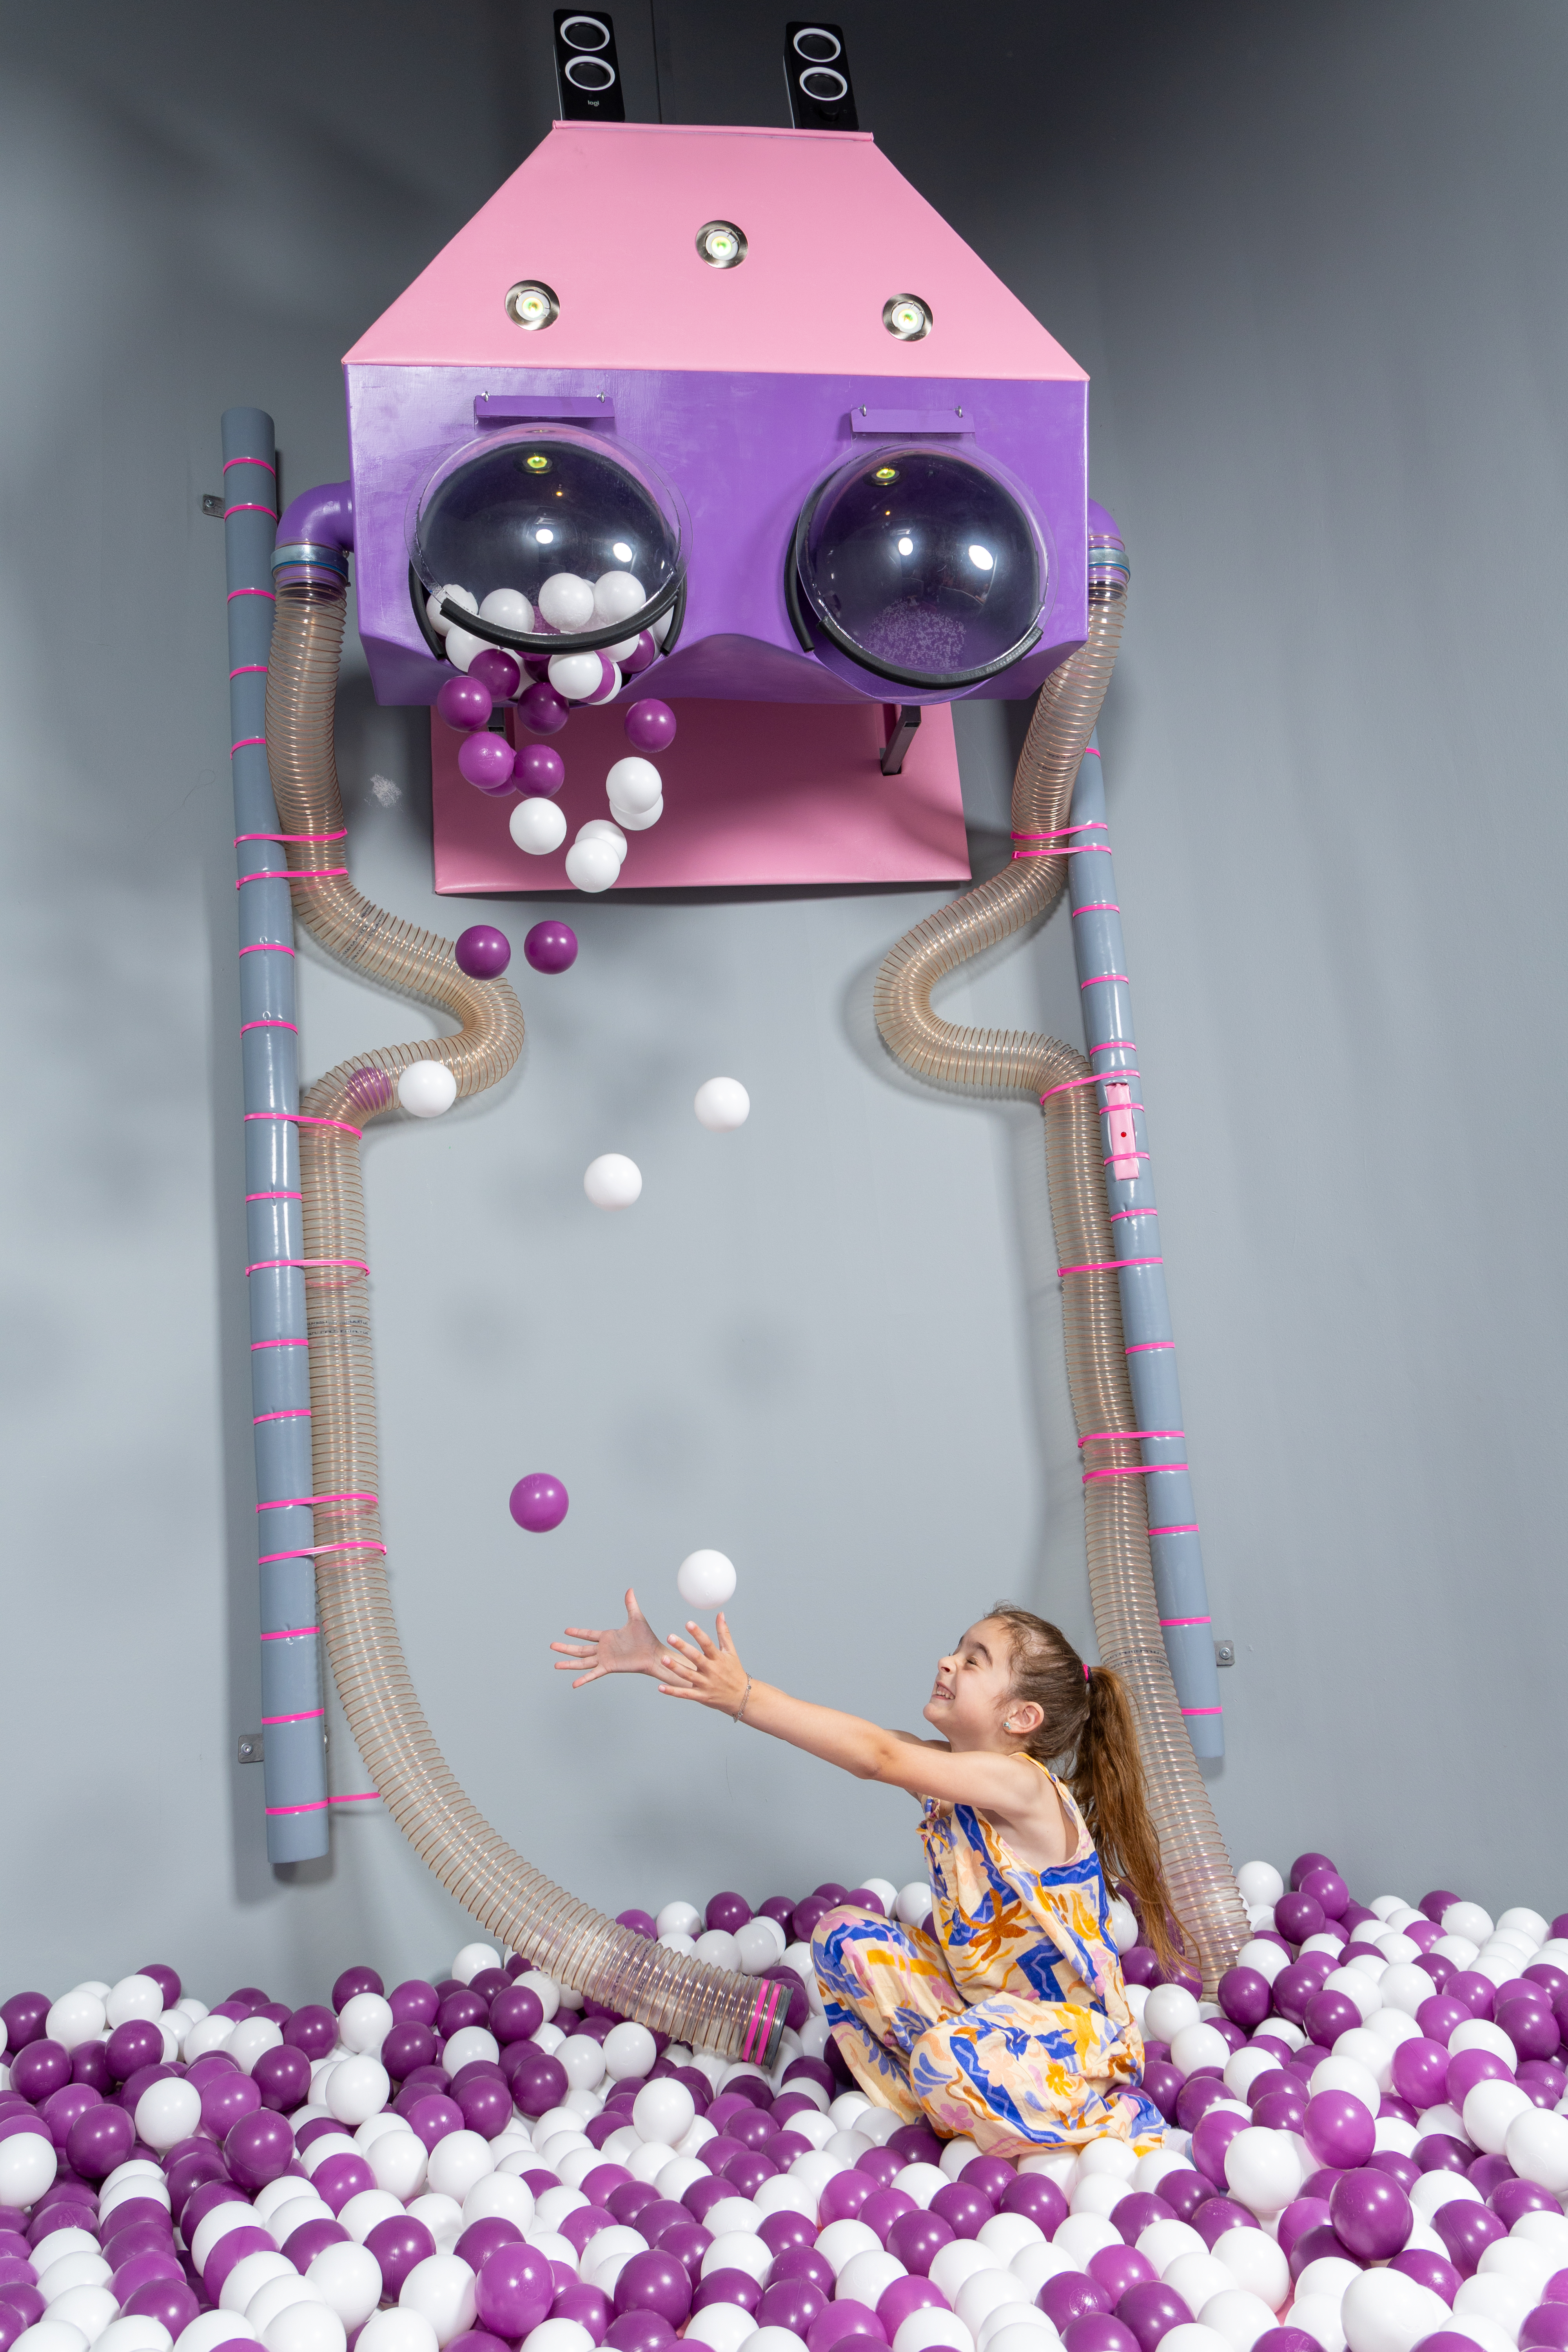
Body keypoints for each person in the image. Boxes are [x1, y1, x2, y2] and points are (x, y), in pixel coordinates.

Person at [550, 1594, 1176, 2156]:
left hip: (1074, 2047)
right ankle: (939, 2114)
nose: (948, 1661)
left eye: (975, 1660)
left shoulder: (1021, 1785)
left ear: (1021, 1719)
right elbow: (863, 1742)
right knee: (843, 1936)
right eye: (958, 1648)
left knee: (944, 2056)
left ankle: (1099, 2119)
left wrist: (742, 1691)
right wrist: (666, 1662)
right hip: (984, 2019)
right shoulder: (950, 1780)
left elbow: (877, 1758)